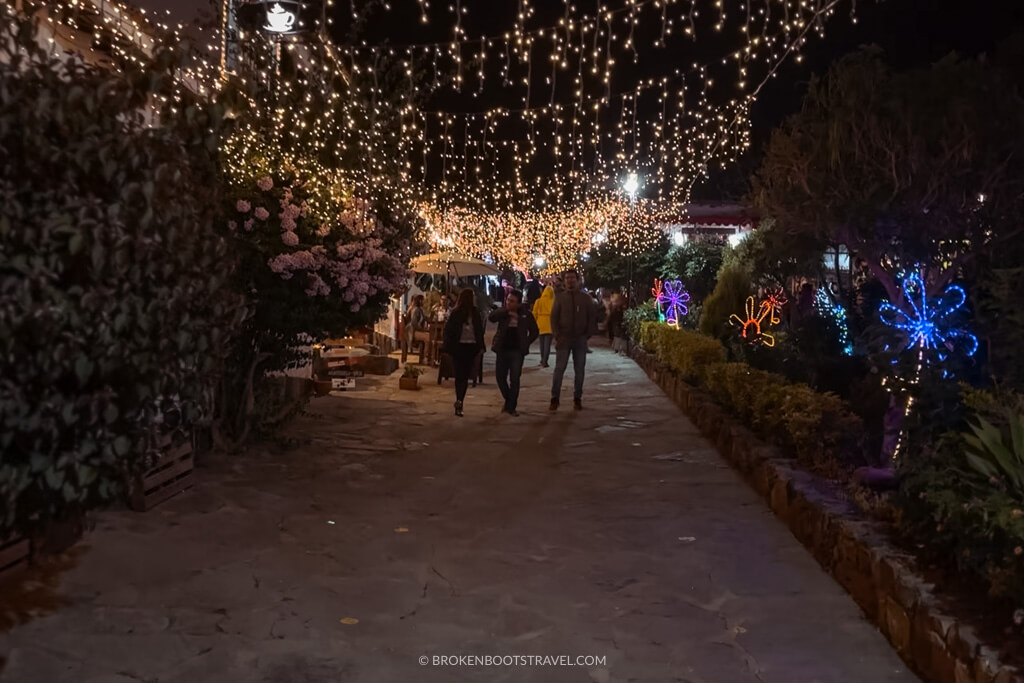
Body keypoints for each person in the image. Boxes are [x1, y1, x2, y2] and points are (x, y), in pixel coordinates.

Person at [549, 269, 596, 411]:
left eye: (573, 278)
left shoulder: (585, 298)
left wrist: (587, 334)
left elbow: (591, 317)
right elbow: (554, 318)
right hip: (564, 338)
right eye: (568, 278)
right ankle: (554, 398)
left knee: (579, 370)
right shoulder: (560, 298)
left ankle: (577, 398)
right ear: (564, 281)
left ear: (577, 280)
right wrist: (557, 335)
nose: (570, 280)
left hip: (580, 339)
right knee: (559, 369)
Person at [489, 290, 539, 416]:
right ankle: (509, 400)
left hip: (517, 351)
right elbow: (492, 317)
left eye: (512, 301)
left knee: (514, 379)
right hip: (502, 348)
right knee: (500, 377)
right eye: (508, 300)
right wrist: (505, 311)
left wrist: (526, 342)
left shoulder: (525, 315)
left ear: (519, 303)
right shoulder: (503, 313)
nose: (508, 303)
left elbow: (534, 331)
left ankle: (511, 407)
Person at [443, 288, 485, 417]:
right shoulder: (457, 314)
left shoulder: (474, 313)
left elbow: (479, 331)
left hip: (469, 348)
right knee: (461, 375)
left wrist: (480, 346)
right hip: (460, 347)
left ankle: (460, 399)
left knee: (464, 376)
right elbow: (450, 331)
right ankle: (460, 400)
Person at [532, 284, 555, 367]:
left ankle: (542, 359)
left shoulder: (538, 301)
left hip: (540, 324)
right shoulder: (553, 302)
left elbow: (534, 313)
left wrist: (533, 323)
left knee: (541, 344)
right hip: (550, 324)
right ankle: (545, 360)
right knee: (547, 345)